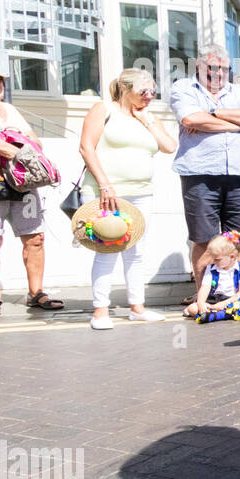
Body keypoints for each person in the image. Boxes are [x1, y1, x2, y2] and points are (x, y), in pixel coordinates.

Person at [77, 68, 177, 329]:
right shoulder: (104, 109)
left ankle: (137, 307)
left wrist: (148, 120)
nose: (149, 96)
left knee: (136, 252)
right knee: (107, 248)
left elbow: (169, 147)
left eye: (153, 91)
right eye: (144, 91)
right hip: (107, 192)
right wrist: (105, 185)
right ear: (126, 89)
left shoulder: (147, 116)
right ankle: (100, 312)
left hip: (142, 192)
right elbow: (86, 147)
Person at [170, 45, 240, 287]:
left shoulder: (239, 91)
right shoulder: (183, 88)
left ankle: (239, 293)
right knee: (203, 239)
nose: (219, 74)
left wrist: (213, 112)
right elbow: (191, 119)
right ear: (199, 66)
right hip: (200, 172)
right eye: (213, 68)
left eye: (225, 69)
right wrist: (237, 122)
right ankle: (205, 295)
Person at [0, 62, 62, 315]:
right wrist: (28, 154)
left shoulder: (10, 109)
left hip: (23, 184)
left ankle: (36, 293)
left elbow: (34, 140)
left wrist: (29, 152)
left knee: (35, 238)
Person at [183, 232, 240, 321]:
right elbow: (205, 288)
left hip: (233, 300)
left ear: (232, 256)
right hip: (215, 300)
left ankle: (218, 315)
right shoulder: (211, 268)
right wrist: (201, 303)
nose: (213, 261)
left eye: (217, 259)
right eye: (212, 258)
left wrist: (224, 304)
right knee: (193, 309)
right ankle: (226, 313)